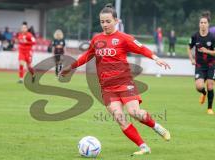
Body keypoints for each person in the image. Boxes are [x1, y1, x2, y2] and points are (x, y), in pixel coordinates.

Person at [60, 4, 171, 155]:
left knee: (134, 113)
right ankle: (144, 147)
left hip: (124, 83)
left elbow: (141, 48)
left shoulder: (123, 38)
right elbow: (87, 56)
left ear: (116, 21)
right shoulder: (97, 39)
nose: (105, 25)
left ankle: (156, 127)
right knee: (120, 118)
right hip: (107, 88)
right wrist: (71, 67)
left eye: (108, 21)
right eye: (102, 22)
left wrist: (156, 58)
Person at [187, 15, 215, 115]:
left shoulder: (212, 37)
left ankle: (210, 108)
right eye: (201, 22)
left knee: (210, 85)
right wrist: (191, 59)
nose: (203, 24)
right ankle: (204, 93)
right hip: (199, 65)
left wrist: (206, 51)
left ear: (208, 24)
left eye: (205, 23)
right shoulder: (195, 36)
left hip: (211, 64)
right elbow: (189, 48)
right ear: (199, 24)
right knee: (199, 87)